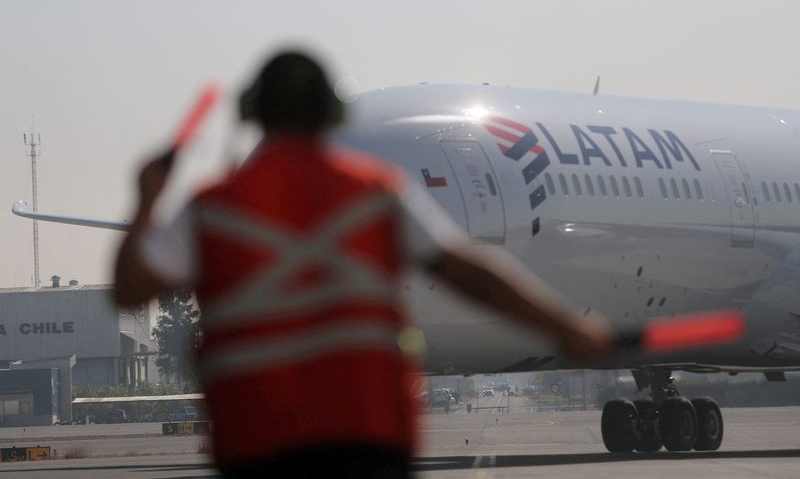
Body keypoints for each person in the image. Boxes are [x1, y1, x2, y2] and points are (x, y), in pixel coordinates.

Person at [113, 50, 615, 478]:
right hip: (367, 429)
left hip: (255, 433)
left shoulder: (214, 204)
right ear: (333, 115)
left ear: (254, 115)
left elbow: (130, 290)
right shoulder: (374, 191)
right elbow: (468, 271)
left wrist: (145, 203)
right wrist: (567, 327)